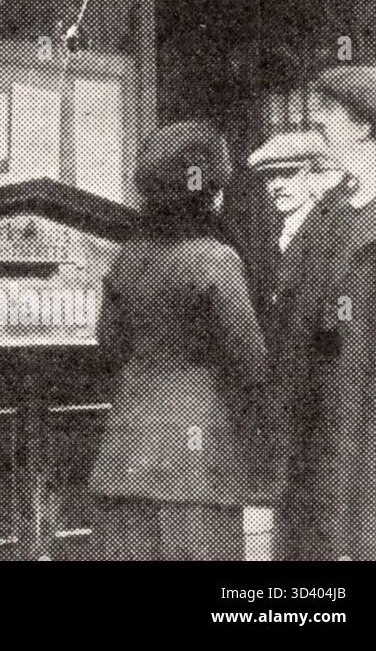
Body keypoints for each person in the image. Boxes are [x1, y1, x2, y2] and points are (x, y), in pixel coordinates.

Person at [89, 120, 267, 560]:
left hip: (124, 451)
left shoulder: (127, 258)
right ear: (213, 194)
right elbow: (251, 361)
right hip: (196, 459)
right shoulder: (215, 259)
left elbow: (108, 344)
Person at [285, 64, 376, 560]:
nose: (321, 123)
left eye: (331, 112)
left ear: (365, 125)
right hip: (322, 424)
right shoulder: (330, 210)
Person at [245, 129, 348, 559]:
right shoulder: (287, 233)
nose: (278, 186)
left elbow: (334, 325)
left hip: (317, 405)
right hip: (294, 404)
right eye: (270, 179)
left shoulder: (330, 230)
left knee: (315, 525)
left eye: (289, 175)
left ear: (317, 176)